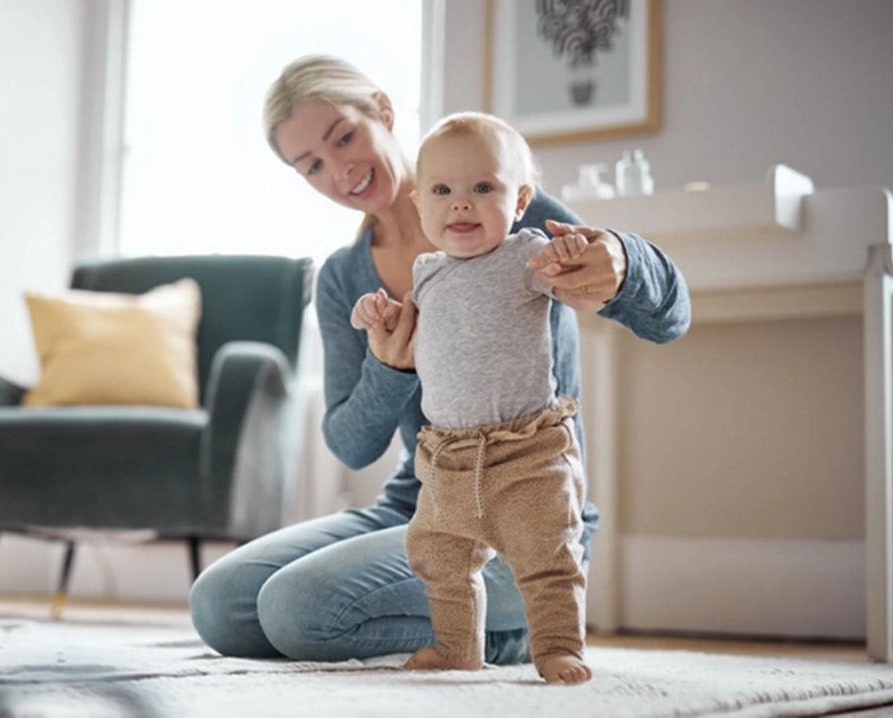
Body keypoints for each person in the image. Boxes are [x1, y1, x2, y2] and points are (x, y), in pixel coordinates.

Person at [189, 54, 690, 668]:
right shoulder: (346, 279)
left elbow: (669, 319)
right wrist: (389, 369)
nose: (339, 170)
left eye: (343, 136)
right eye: (311, 165)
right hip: (427, 501)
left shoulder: (514, 215)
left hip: (526, 507)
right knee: (221, 605)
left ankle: (510, 630)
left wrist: (623, 258)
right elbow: (350, 445)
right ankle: (464, 623)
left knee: (297, 610)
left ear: (383, 111)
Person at [351, 111, 594, 683]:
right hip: (447, 456)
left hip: (526, 452)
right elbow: (410, 336)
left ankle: (560, 646)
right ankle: (458, 647)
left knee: (548, 559)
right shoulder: (427, 272)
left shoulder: (527, 254)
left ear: (520, 201)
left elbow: (579, 291)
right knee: (439, 557)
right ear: (420, 204)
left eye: (483, 188)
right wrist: (378, 316)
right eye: (442, 190)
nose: (461, 204)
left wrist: (573, 260)